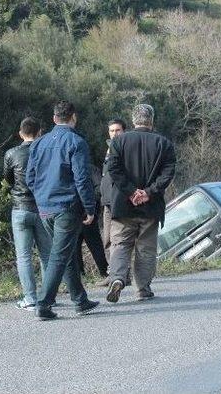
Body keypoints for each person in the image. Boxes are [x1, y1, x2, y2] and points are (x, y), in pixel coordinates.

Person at [26, 101, 99, 320]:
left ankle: (80, 300)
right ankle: (44, 304)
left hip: (45, 207)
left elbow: (30, 177)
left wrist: (41, 196)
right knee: (59, 255)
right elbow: (82, 179)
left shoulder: (38, 144)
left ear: (55, 118)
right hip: (66, 206)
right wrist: (89, 207)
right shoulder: (76, 142)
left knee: (64, 254)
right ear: (73, 117)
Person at [106, 104, 176, 303]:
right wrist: (148, 192)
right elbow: (168, 173)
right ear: (151, 120)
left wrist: (130, 191)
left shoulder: (118, 142)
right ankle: (142, 290)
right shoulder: (164, 143)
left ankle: (118, 277)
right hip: (150, 206)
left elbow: (113, 169)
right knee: (145, 249)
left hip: (123, 205)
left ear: (134, 119)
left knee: (120, 244)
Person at [3, 117, 51, 311]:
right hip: (43, 208)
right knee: (47, 255)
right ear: (40, 132)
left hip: (20, 208)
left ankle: (30, 298)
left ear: (21, 133)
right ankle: (48, 297)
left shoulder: (11, 153)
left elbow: (8, 179)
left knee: (23, 256)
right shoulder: (47, 151)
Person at [97, 118, 128, 287]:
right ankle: (113, 273)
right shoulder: (109, 149)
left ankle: (122, 274)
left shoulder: (126, 149)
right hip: (107, 201)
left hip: (120, 202)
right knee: (107, 239)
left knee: (121, 239)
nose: (114, 133)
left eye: (117, 130)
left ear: (124, 131)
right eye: (111, 131)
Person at [75, 163, 109, 279]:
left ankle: (82, 276)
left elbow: (98, 188)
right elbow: (99, 187)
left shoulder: (68, 168)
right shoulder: (90, 168)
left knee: (77, 246)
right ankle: (104, 273)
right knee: (95, 245)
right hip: (86, 212)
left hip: (76, 213)